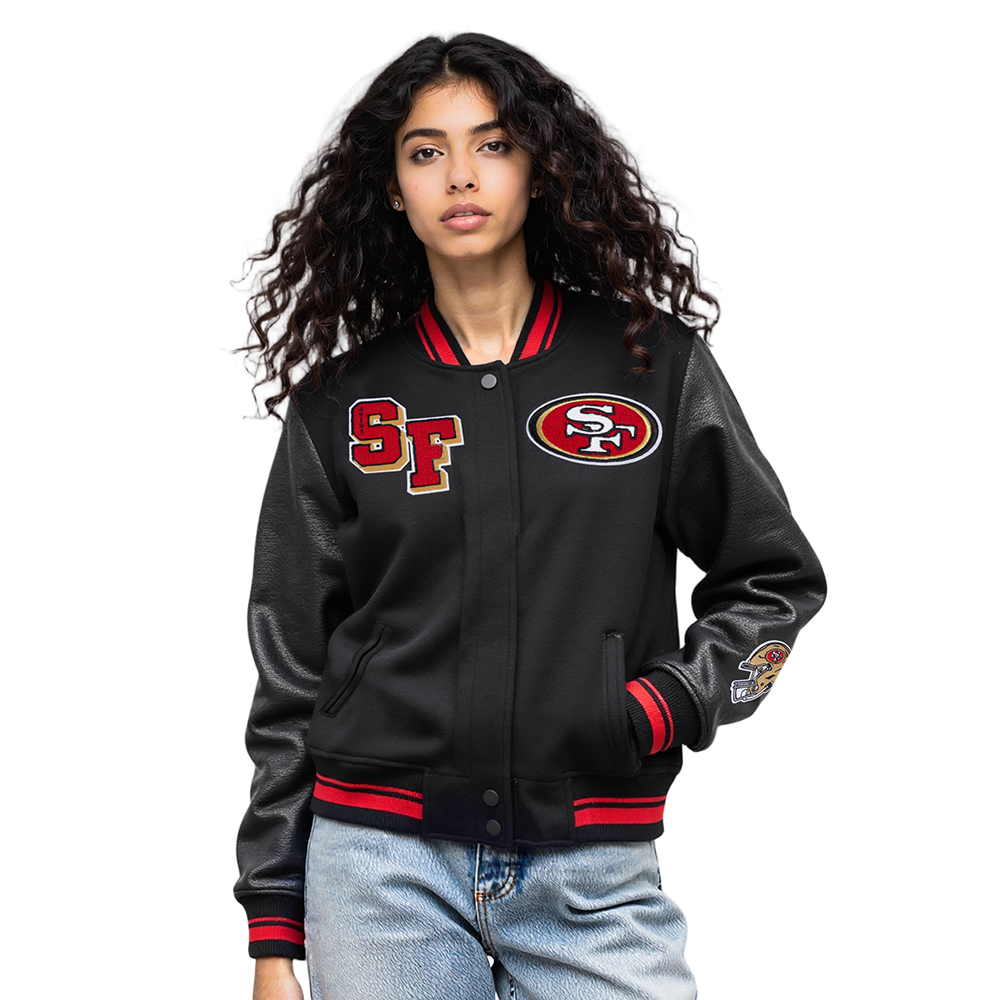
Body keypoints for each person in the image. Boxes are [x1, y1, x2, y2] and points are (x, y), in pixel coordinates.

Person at [233, 31, 826, 1000]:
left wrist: (669, 702)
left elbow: (774, 580)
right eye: (426, 151)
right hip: (377, 868)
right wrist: (272, 923)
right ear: (392, 188)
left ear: (540, 170)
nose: (460, 175)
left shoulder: (651, 367)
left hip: (592, 870)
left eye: (494, 144)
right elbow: (292, 662)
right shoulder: (340, 404)